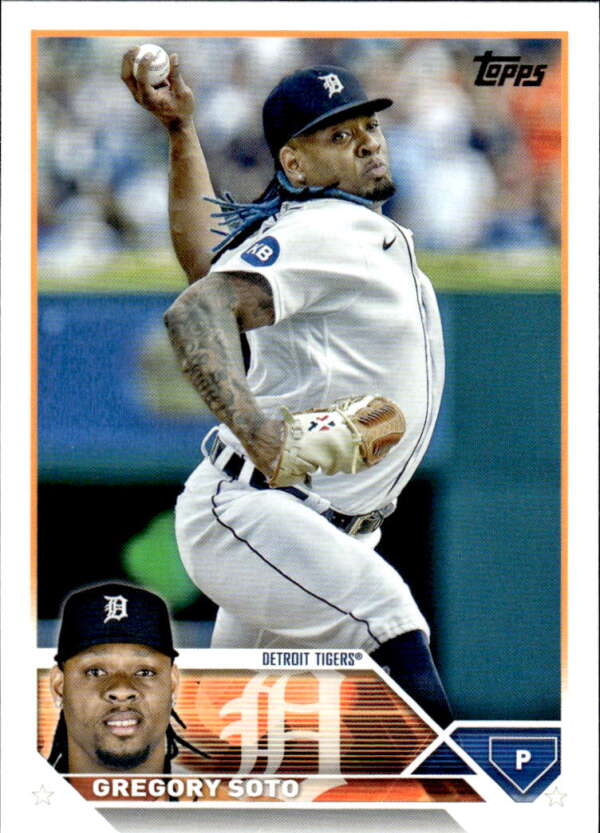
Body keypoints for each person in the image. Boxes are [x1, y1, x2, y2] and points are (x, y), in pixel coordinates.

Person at [122, 53, 452, 727]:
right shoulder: (330, 228)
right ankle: (462, 788)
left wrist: (182, 132)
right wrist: (258, 431)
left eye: (368, 126)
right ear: (295, 165)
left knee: (231, 740)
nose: (367, 141)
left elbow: (205, 267)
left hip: (306, 529)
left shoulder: (320, 233)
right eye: (339, 135)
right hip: (260, 512)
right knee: (391, 624)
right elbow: (196, 311)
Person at [48, 582, 207, 773]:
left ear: (173, 684)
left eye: (144, 672)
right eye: (95, 672)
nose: (121, 690)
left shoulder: (217, 793)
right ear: (59, 686)